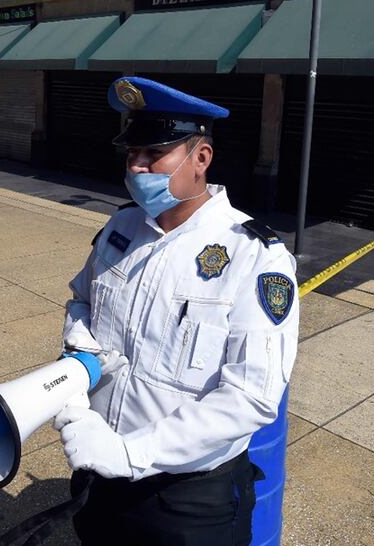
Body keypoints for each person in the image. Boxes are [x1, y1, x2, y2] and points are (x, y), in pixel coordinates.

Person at [55, 77, 299, 545]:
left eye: (153, 155)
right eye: (132, 154)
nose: (137, 166)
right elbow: (83, 301)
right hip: (99, 474)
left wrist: (131, 453)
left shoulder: (255, 256)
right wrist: (79, 347)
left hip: (186, 500)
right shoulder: (120, 227)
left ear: (200, 158)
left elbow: (252, 397)